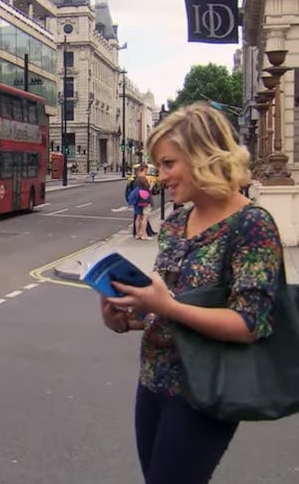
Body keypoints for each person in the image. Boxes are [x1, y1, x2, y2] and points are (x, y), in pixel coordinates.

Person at [99, 102, 283, 484]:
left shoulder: (252, 224)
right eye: (158, 166)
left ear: (203, 157)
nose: (159, 176)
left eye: (169, 164)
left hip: (203, 391)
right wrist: (126, 317)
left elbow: (251, 323)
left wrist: (166, 305)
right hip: (152, 382)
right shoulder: (176, 223)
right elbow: (166, 304)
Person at [128, 175, 152, 240]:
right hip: (145, 204)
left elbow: (131, 197)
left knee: (138, 218)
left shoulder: (136, 190)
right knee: (144, 219)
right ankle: (144, 234)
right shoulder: (146, 188)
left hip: (138, 204)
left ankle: (138, 234)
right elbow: (150, 194)